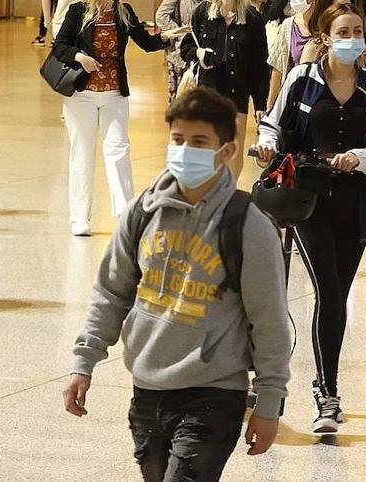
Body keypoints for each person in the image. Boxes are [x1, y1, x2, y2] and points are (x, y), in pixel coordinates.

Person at [65, 87, 291, 476]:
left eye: (199, 142)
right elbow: (111, 291)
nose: (186, 150)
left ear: (227, 151)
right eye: (178, 140)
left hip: (214, 393)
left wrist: (269, 401)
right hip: (148, 388)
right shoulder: (142, 213)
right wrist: (84, 361)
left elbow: (269, 320)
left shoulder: (247, 225)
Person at [256, 5, 366, 433]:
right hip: (307, 201)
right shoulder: (302, 79)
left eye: (357, 31)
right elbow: (272, 124)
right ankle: (328, 393)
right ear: (325, 35)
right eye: (343, 31)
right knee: (330, 294)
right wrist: (265, 146)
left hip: (355, 204)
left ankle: (325, 384)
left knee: (340, 295)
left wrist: (359, 157)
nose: (352, 38)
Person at [51, 0, 176, 236]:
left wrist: (168, 37)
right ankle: (79, 218)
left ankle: (124, 215)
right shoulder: (78, 11)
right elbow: (59, 46)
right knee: (82, 154)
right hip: (81, 95)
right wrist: (79, 57)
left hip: (114, 93)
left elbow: (146, 42)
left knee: (119, 151)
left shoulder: (124, 11)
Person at [180, 0, 269, 180]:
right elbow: (186, 47)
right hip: (208, 93)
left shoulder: (252, 18)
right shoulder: (203, 13)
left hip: (236, 95)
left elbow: (259, 64)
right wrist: (198, 54)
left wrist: (260, 103)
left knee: (233, 150)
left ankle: (227, 197)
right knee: (206, 149)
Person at [267, 0, 325, 108]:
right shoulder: (288, 26)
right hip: (294, 99)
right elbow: (278, 68)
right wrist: (270, 106)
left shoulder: (326, 27)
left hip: (319, 100)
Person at [155, 0, 208, 102]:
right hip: (179, 52)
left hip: (200, 51)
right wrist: (179, 32)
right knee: (179, 95)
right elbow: (161, 15)